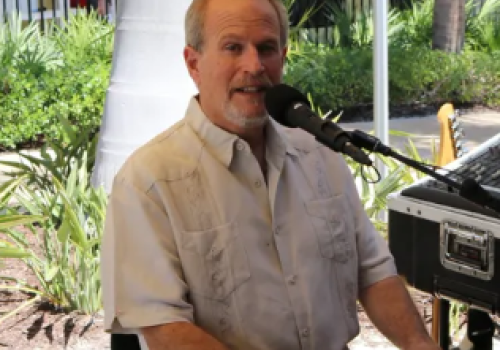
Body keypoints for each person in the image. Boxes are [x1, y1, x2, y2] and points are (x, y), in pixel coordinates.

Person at [100, 0, 442, 349]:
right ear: (193, 63)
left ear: (284, 56)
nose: (254, 65)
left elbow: (372, 271)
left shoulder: (320, 154)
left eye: (266, 48)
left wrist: (419, 343)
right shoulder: (148, 182)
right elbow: (165, 328)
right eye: (233, 47)